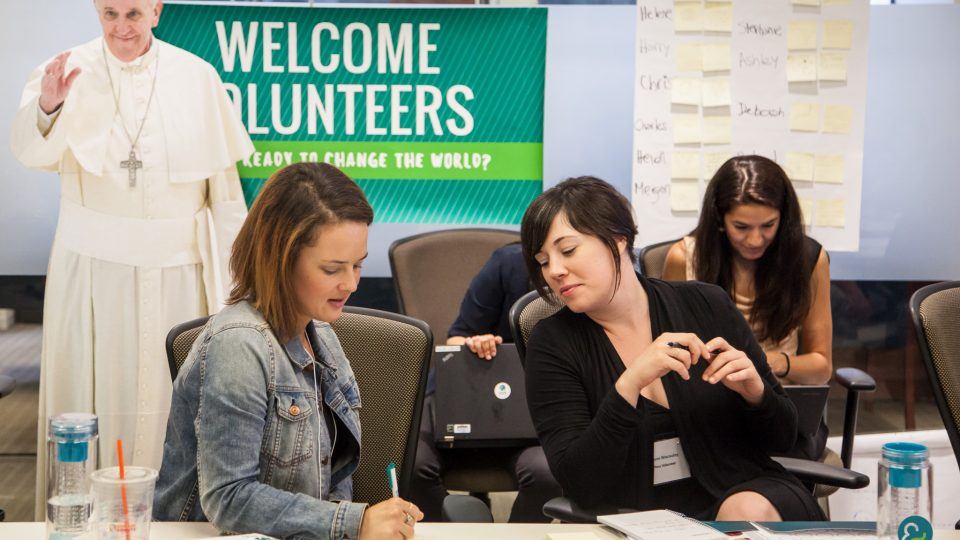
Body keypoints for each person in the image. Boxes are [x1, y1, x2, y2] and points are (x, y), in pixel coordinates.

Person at [10, 0, 253, 517]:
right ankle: (84, 520)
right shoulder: (64, 69)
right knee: (89, 402)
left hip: (178, 275)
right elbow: (30, 153)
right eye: (110, 13)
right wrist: (49, 108)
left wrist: (240, 286)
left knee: (173, 401)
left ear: (157, 11)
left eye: (134, 14)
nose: (122, 27)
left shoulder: (197, 77)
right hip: (92, 275)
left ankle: (175, 516)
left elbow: (226, 196)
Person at [520, 176, 824, 520]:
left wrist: (756, 394)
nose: (555, 271)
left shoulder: (706, 304)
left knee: (745, 510)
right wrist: (629, 385)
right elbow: (581, 483)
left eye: (569, 250)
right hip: (639, 516)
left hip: (745, 489)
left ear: (618, 240)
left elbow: (783, 440)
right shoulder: (553, 343)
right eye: (544, 261)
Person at [154, 162, 424, 539]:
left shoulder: (323, 336)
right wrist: (352, 523)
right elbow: (229, 500)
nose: (351, 283)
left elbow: (336, 475)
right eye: (332, 269)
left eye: (358, 266)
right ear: (280, 260)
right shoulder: (238, 346)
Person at [662, 156, 832, 459]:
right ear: (720, 219)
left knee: (774, 451)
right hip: (711, 405)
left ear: (784, 217)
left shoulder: (808, 260)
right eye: (741, 226)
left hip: (782, 406)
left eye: (768, 225)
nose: (755, 239)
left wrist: (767, 364)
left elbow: (821, 367)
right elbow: (666, 355)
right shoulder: (685, 259)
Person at [409, 243, 562, 522]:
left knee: (547, 473)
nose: (558, 268)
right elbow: (457, 337)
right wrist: (474, 345)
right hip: (469, 392)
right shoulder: (509, 263)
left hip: (532, 408)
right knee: (414, 464)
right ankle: (457, 529)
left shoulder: (589, 287)